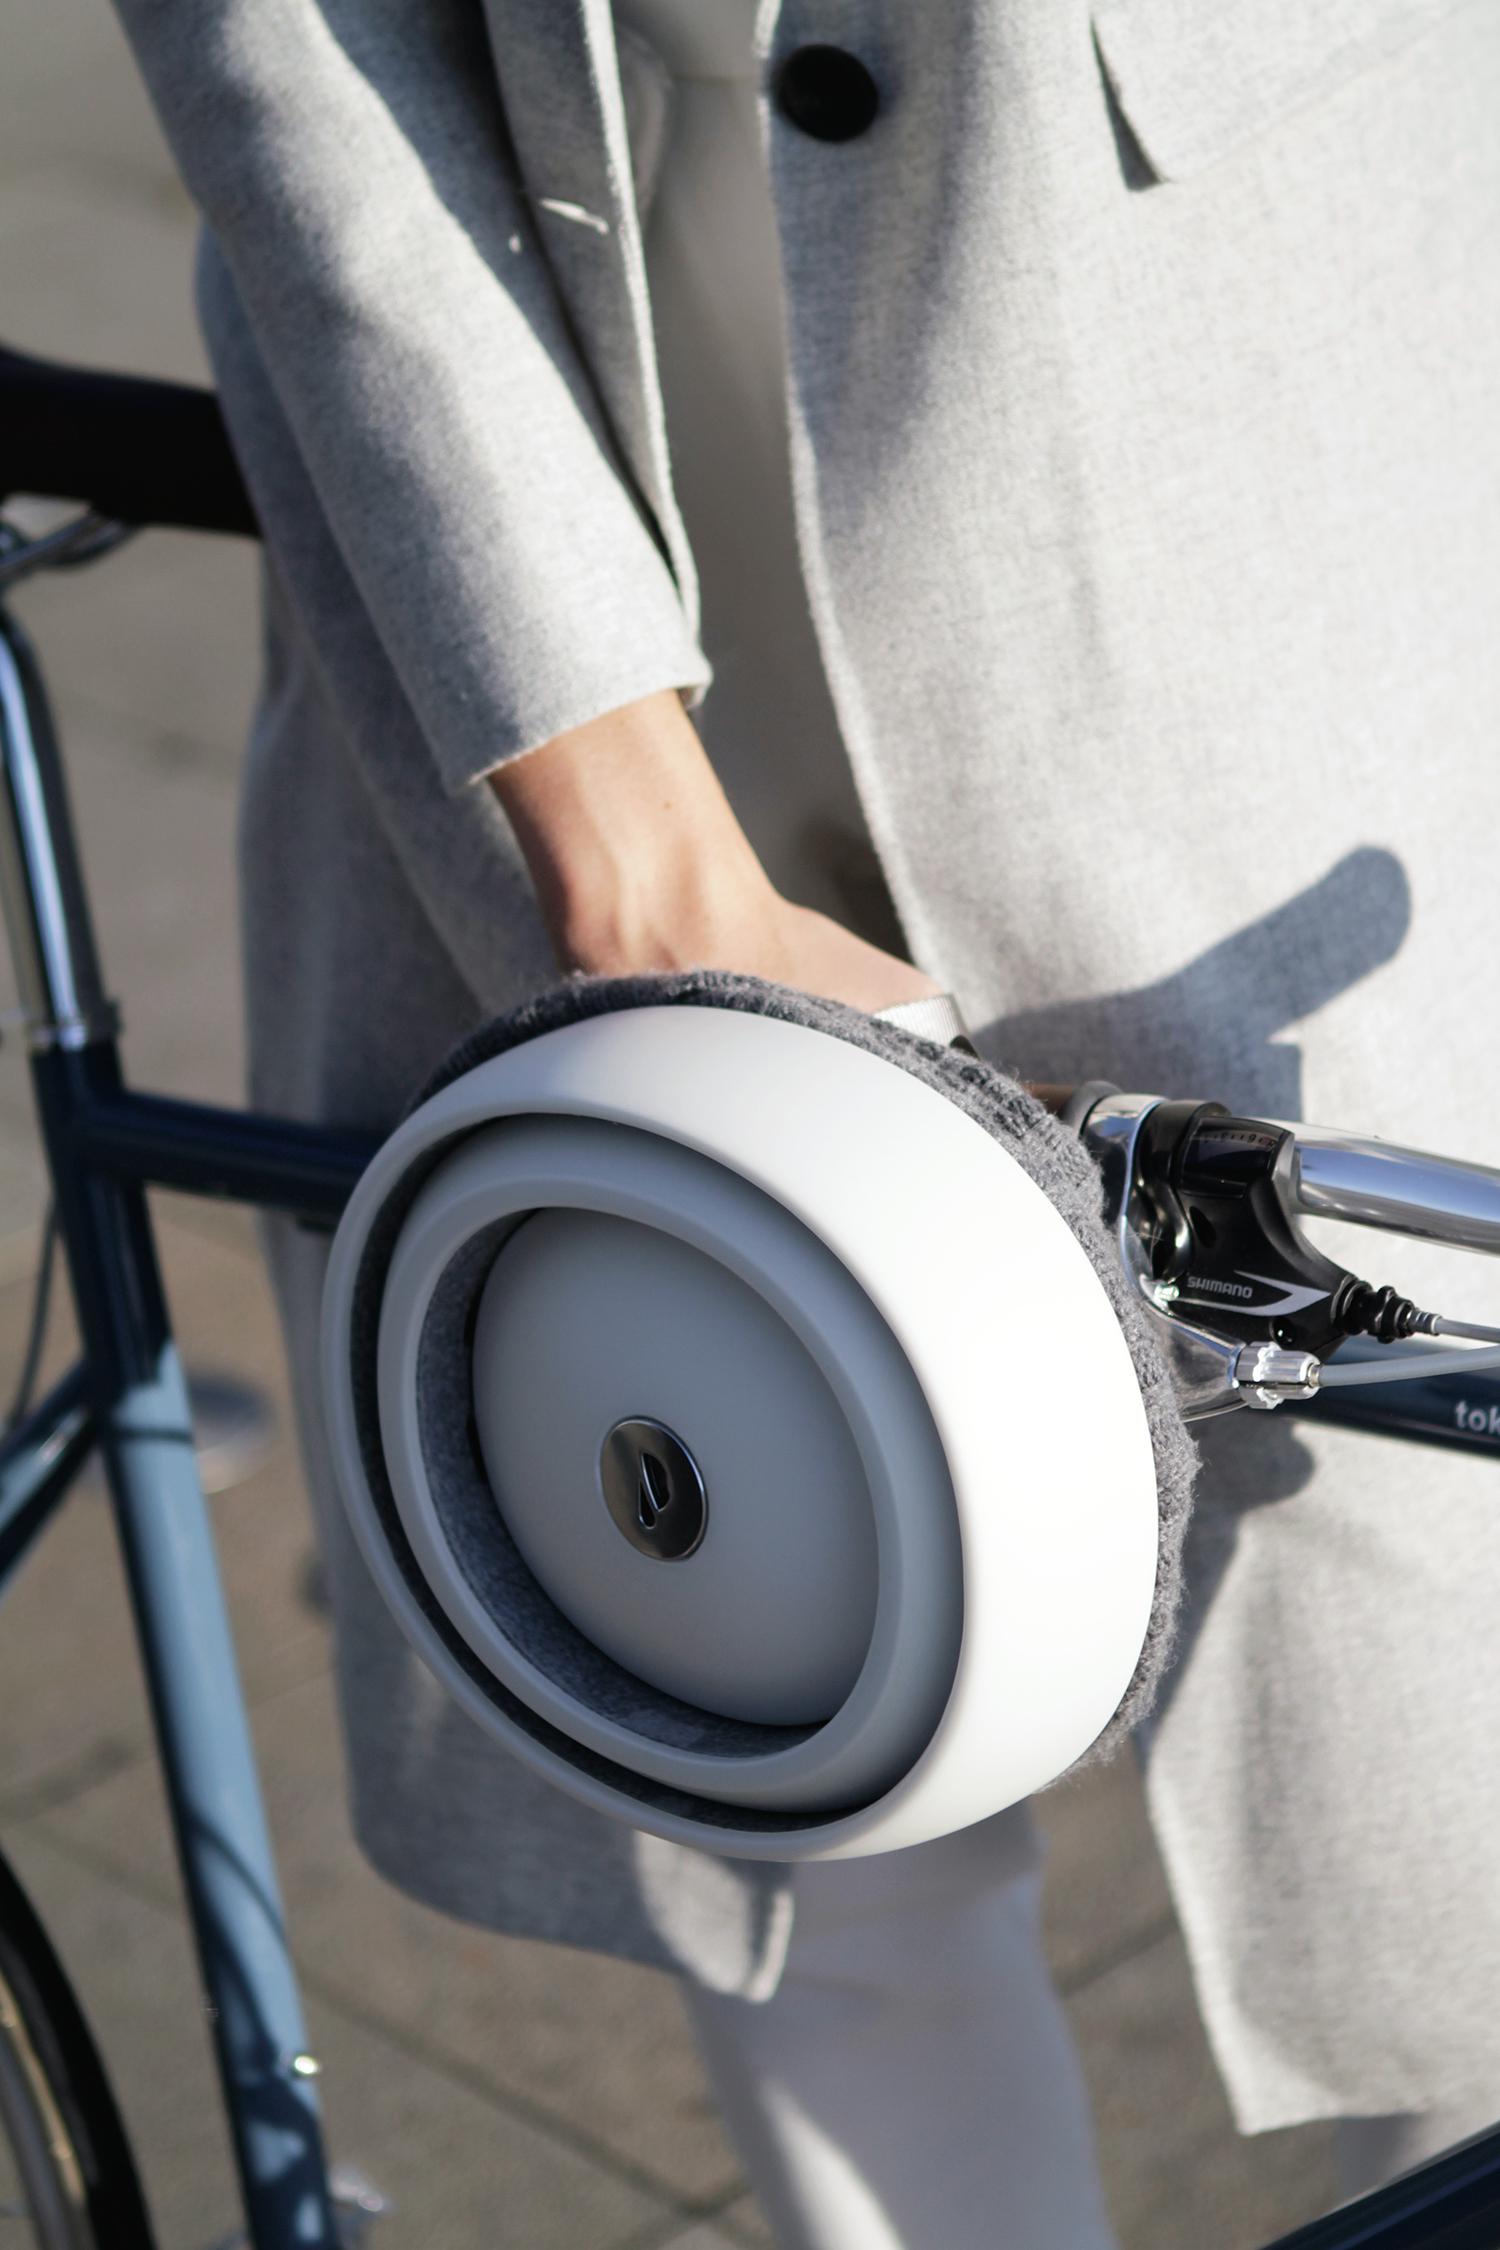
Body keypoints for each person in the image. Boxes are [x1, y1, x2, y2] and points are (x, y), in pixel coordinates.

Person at [106, 0, 1500, 2240]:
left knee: (1432, 1659)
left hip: (1228, 352)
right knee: (749, 1637)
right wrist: (605, 808)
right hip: (549, 388)